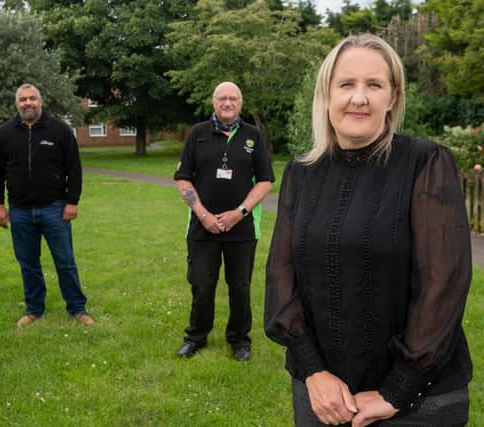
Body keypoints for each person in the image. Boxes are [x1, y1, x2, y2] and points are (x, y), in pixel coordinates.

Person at [264, 34, 472, 427]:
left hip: (418, 403)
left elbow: (443, 284)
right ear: (327, 93)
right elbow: (281, 278)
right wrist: (313, 371)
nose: (359, 98)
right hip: (322, 399)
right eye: (346, 84)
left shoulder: (424, 163)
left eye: (374, 85)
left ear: (392, 97)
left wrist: (398, 391)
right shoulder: (300, 173)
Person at [174, 81, 273, 361]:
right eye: (222, 98)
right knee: (202, 285)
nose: (227, 103)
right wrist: (203, 215)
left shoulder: (253, 135)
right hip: (201, 227)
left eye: (233, 98)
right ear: (213, 102)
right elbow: (183, 179)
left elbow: (265, 182)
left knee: (239, 287)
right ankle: (196, 337)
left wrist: (238, 213)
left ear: (240, 102)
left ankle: (240, 341)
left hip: (241, 228)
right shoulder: (197, 134)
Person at [0, 83, 94, 328]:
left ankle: (77, 308)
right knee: (28, 263)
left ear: (41, 101)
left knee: (65, 261)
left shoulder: (59, 130)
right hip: (20, 211)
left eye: (32, 98)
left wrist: (72, 202)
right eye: (23, 99)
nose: (28, 103)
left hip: (55, 208)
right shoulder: (5, 134)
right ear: (16, 104)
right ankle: (34, 309)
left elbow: (74, 169)